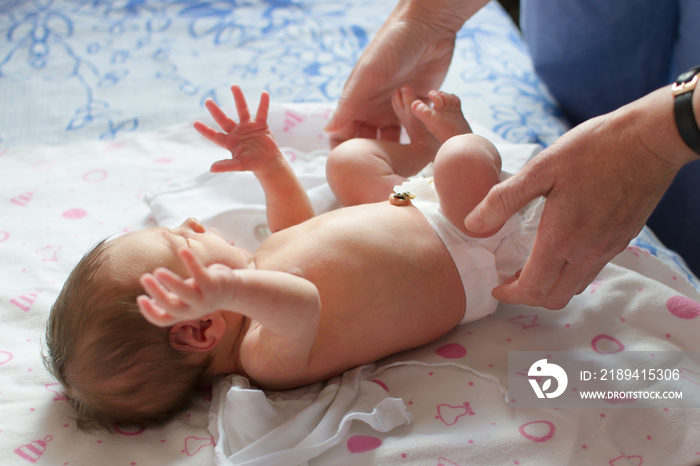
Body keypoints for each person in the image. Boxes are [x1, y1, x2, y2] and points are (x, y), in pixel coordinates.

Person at [44, 85, 543, 430]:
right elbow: (301, 300)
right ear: (200, 330)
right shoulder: (266, 358)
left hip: (412, 203)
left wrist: (270, 165)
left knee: (345, 161)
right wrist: (231, 289)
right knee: (461, 160)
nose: (194, 224)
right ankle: (459, 142)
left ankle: (431, 155)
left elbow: (295, 228)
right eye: (184, 244)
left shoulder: (259, 272)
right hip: (475, 248)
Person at [324, 0, 700, 310]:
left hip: (414, 213)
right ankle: (436, 153)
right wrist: (429, 15)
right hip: (428, 229)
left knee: (378, 160)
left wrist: (656, 138)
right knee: (349, 162)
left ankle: (441, 151)